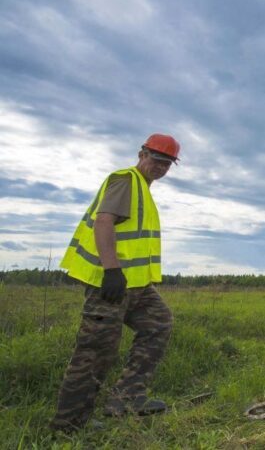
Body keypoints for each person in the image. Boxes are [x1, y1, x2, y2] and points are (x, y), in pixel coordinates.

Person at [50, 134, 181, 432]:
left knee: (158, 323)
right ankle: (67, 426)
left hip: (136, 287)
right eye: (157, 159)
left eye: (167, 163)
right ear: (142, 154)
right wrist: (111, 270)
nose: (161, 167)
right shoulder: (126, 180)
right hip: (110, 286)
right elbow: (104, 221)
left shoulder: (143, 189)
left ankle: (127, 397)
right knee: (95, 352)